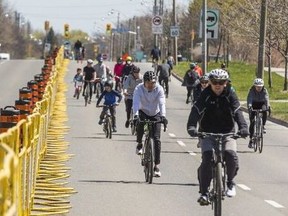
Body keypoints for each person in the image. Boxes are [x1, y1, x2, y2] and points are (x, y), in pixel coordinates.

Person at [187, 69, 249, 206]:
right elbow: (196, 110)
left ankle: (230, 182)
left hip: (228, 132)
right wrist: (192, 126)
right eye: (214, 82)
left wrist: (243, 128)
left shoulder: (230, 94)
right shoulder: (205, 95)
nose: (218, 85)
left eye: (221, 82)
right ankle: (204, 192)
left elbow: (238, 112)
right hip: (207, 132)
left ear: (226, 83)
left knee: (230, 154)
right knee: (207, 159)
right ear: (210, 82)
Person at [133, 71, 168, 177]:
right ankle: (139, 144)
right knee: (140, 124)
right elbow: (135, 102)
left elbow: (162, 103)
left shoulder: (159, 89)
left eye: (152, 83)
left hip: (155, 113)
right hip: (143, 111)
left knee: (157, 139)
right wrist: (135, 115)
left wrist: (163, 116)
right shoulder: (139, 89)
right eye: (148, 83)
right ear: (144, 82)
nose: (150, 85)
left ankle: (156, 166)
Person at [247, 78, 271, 148]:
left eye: (260, 87)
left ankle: (263, 125)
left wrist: (268, 106)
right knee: (252, 122)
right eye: (257, 86)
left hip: (261, 103)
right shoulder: (251, 90)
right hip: (253, 104)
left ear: (262, 86)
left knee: (265, 111)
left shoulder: (264, 91)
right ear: (254, 86)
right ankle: (251, 139)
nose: (259, 88)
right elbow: (250, 99)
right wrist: (250, 106)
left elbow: (266, 99)